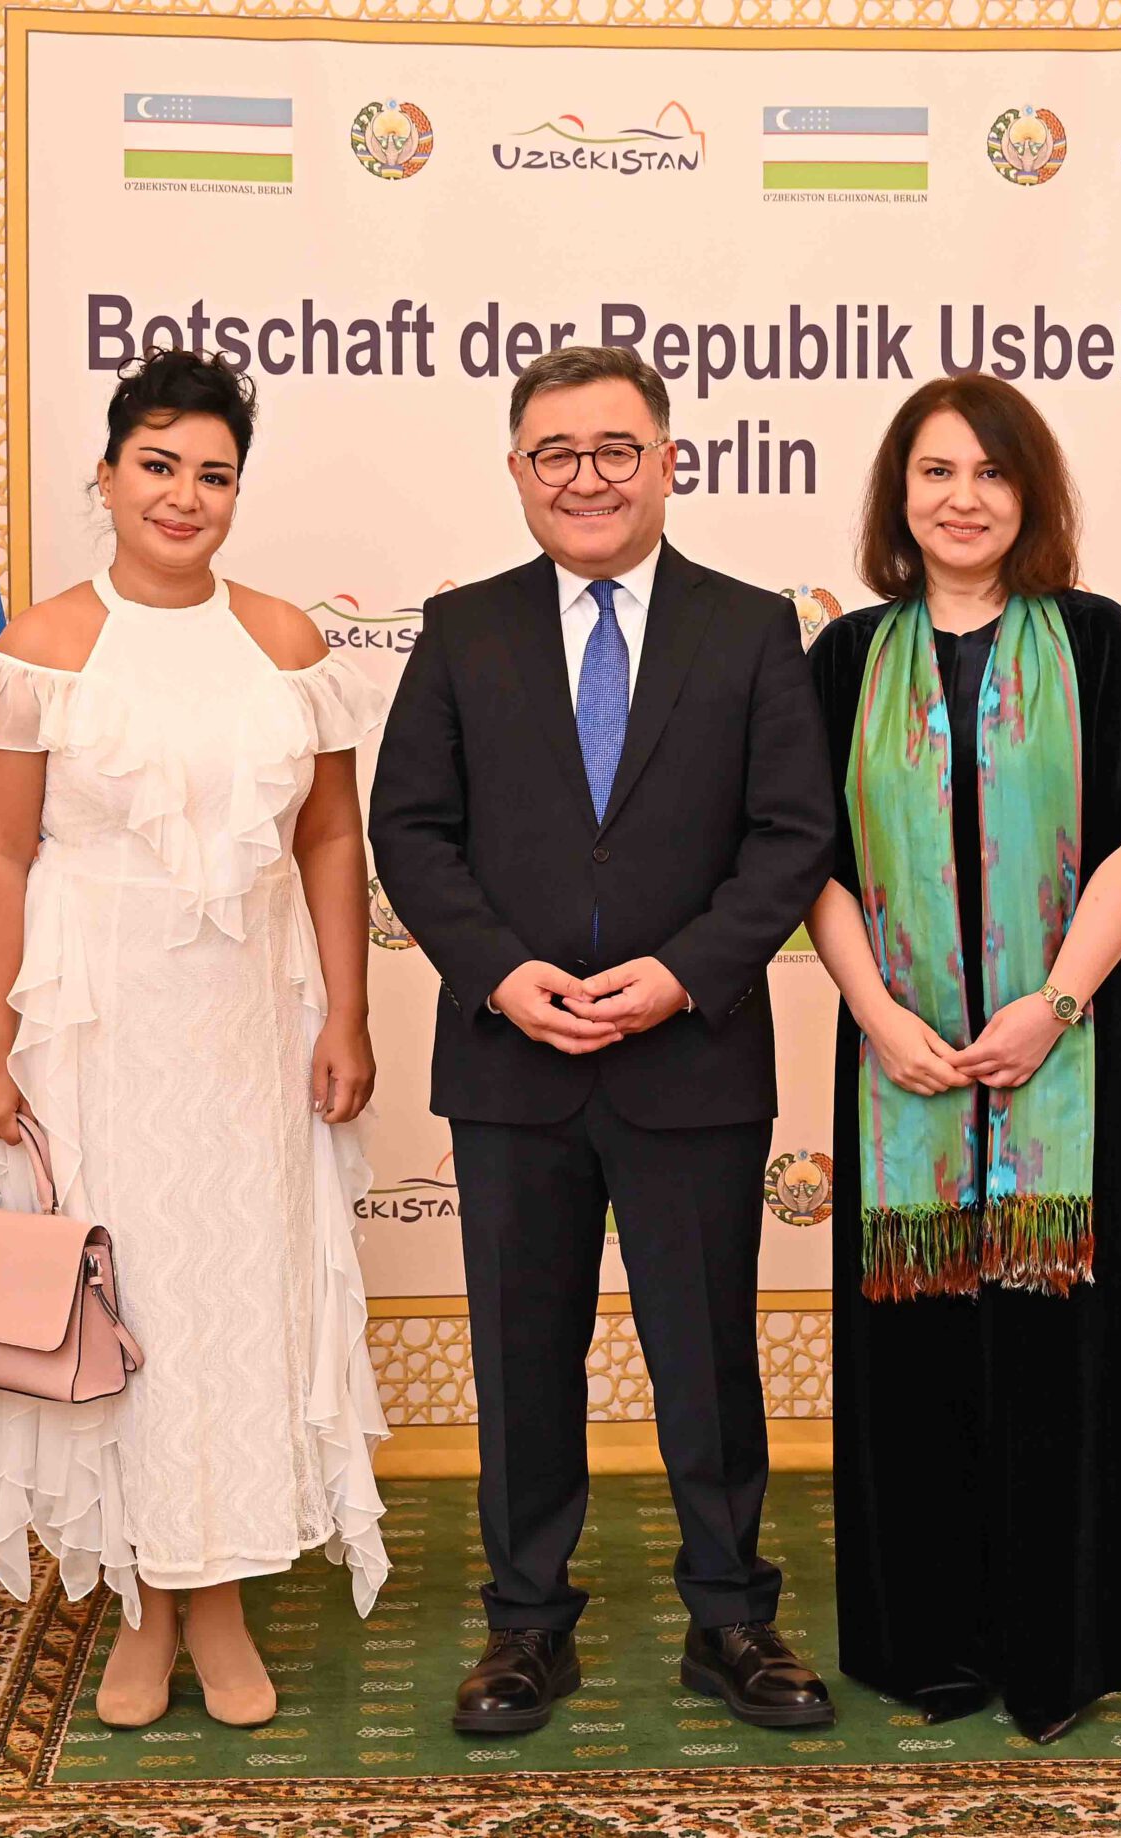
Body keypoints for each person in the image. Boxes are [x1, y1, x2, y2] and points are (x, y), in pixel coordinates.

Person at [368, 346, 838, 1735]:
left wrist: (683, 975)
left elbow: (793, 832)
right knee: (523, 1357)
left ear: (669, 461)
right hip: (512, 1060)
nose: (588, 477)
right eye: (557, 452)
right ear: (519, 472)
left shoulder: (750, 628)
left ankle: (732, 1617)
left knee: (707, 1354)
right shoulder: (462, 629)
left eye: (616, 448)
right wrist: (500, 973)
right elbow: (411, 829)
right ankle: (525, 1626)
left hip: (691, 1059)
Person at [0, 349, 391, 1731]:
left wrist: (349, 1012)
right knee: (123, 1303)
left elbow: (330, 837)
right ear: (109, 474)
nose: (185, 496)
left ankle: (224, 1597)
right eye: (159, 465)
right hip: (97, 1027)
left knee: (240, 1296)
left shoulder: (286, 643)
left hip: (251, 1027)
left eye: (214, 474)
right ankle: (140, 1605)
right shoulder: (42, 648)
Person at [804, 375, 1121, 1742]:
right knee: (917, 1357)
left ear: (1030, 494)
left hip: (1062, 1056)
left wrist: (1056, 1004)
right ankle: (927, 1643)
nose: (961, 497)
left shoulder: (1096, 641)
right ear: (898, 496)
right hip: (898, 1061)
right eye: (935, 471)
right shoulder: (845, 658)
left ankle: (1057, 1644)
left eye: (990, 471)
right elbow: (816, 859)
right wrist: (876, 1013)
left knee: (1053, 1346)